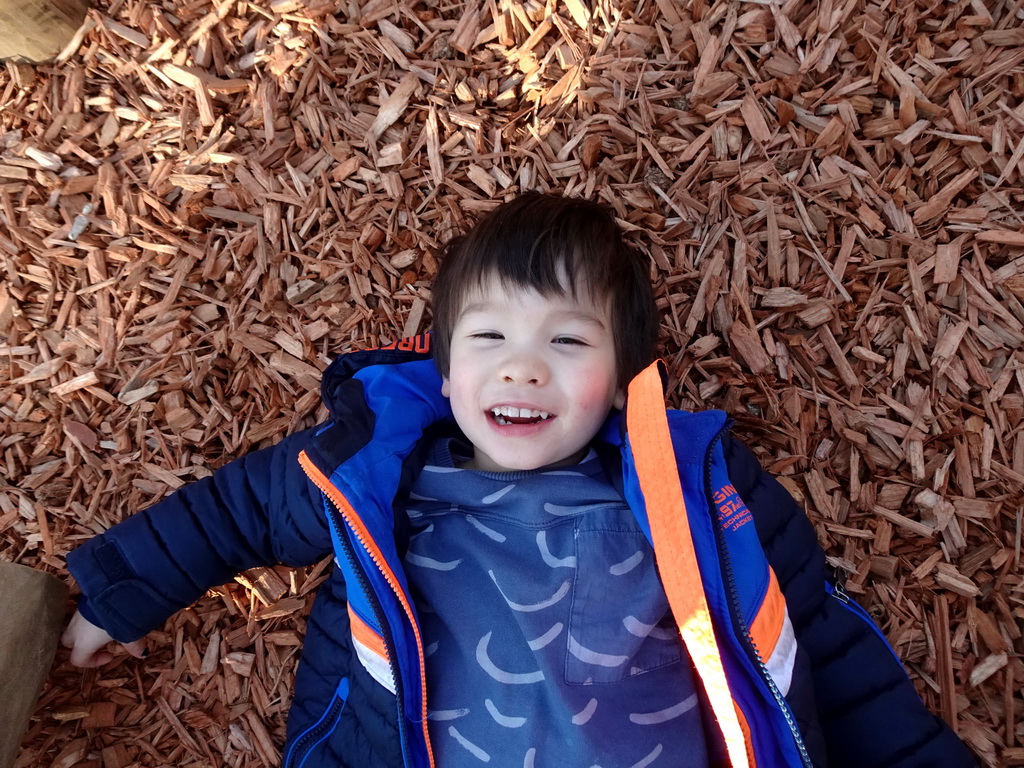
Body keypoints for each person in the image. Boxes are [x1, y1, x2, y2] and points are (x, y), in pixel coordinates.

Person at [61, 193, 975, 768]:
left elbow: (825, 646)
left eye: (566, 342)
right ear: (447, 373)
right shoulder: (374, 469)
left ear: (620, 382)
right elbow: (233, 514)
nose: (521, 369)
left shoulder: (693, 484)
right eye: (489, 339)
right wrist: (121, 594)